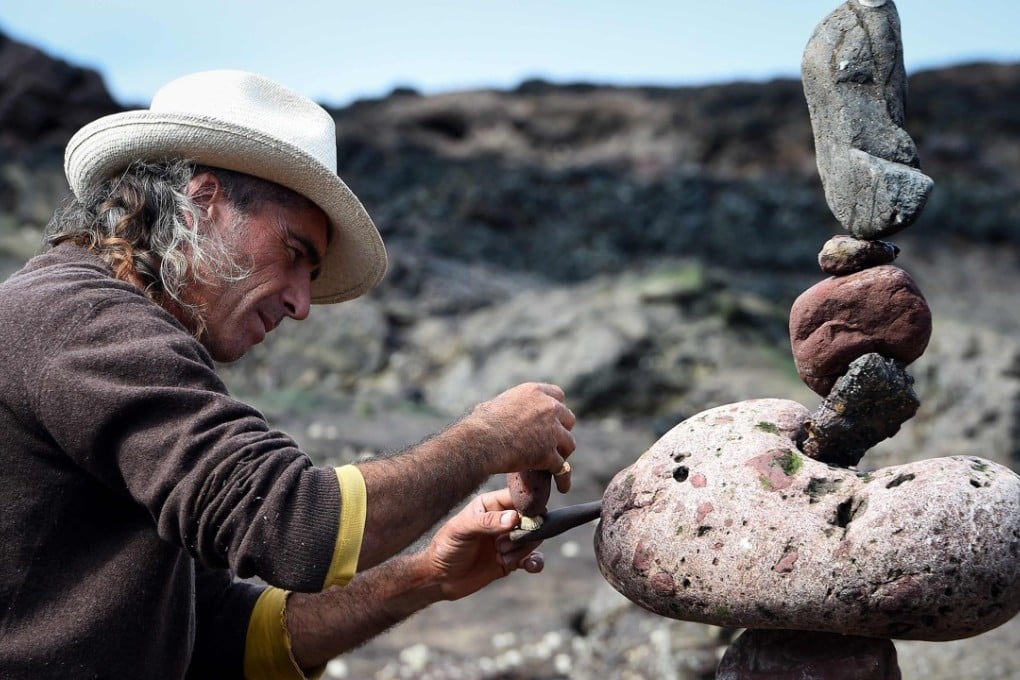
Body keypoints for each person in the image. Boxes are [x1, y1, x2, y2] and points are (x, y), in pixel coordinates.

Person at [0, 70, 577, 679]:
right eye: (296, 255)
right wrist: (487, 437)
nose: (303, 305)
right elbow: (290, 525)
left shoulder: (108, 338)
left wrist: (426, 573)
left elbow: (225, 634)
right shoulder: (77, 317)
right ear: (202, 203)